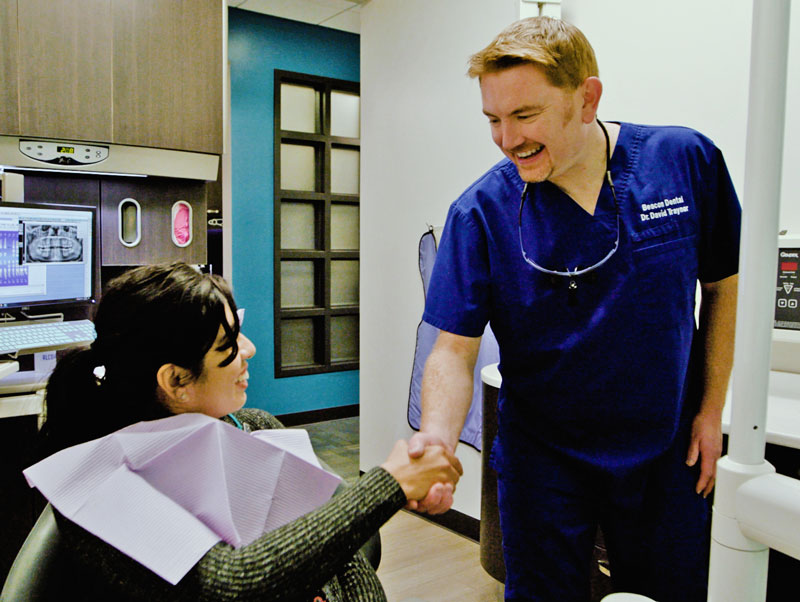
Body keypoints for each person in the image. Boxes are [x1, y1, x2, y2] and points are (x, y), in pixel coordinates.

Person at [408, 16, 741, 602]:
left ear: (587, 99)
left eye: (525, 115)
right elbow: (452, 352)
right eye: (493, 119)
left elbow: (720, 287)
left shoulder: (685, 163)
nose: (507, 139)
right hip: (546, 461)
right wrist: (435, 441)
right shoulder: (481, 213)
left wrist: (711, 409)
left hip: (665, 451)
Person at [36, 262, 462, 601]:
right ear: (176, 382)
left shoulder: (254, 428)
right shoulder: (104, 486)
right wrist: (388, 484)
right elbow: (233, 585)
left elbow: (342, 554)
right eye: (229, 343)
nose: (249, 349)